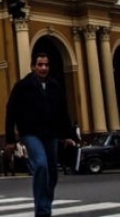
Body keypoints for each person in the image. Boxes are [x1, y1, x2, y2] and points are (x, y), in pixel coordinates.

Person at [5, 53, 76, 217]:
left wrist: (68, 135)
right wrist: (10, 140)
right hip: (30, 134)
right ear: (33, 67)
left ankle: (45, 205)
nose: (43, 68)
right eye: (40, 64)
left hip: (51, 134)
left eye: (46, 65)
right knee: (41, 165)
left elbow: (63, 112)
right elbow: (11, 112)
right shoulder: (22, 86)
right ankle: (42, 211)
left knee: (52, 173)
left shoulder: (54, 86)